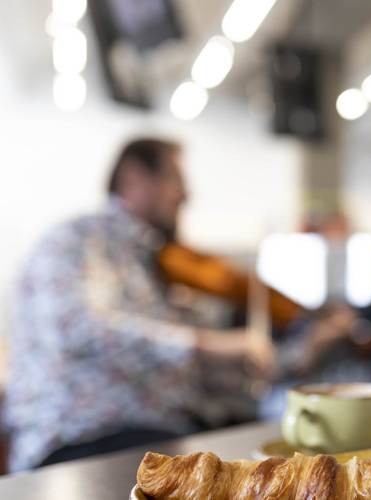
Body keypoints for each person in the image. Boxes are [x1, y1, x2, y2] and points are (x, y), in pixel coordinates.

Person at [4, 138, 349, 471]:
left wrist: (300, 355)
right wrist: (206, 344)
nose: (187, 195)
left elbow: (195, 374)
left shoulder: (153, 266)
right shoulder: (74, 241)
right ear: (134, 177)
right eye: (176, 179)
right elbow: (82, 328)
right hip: (81, 441)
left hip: (160, 435)